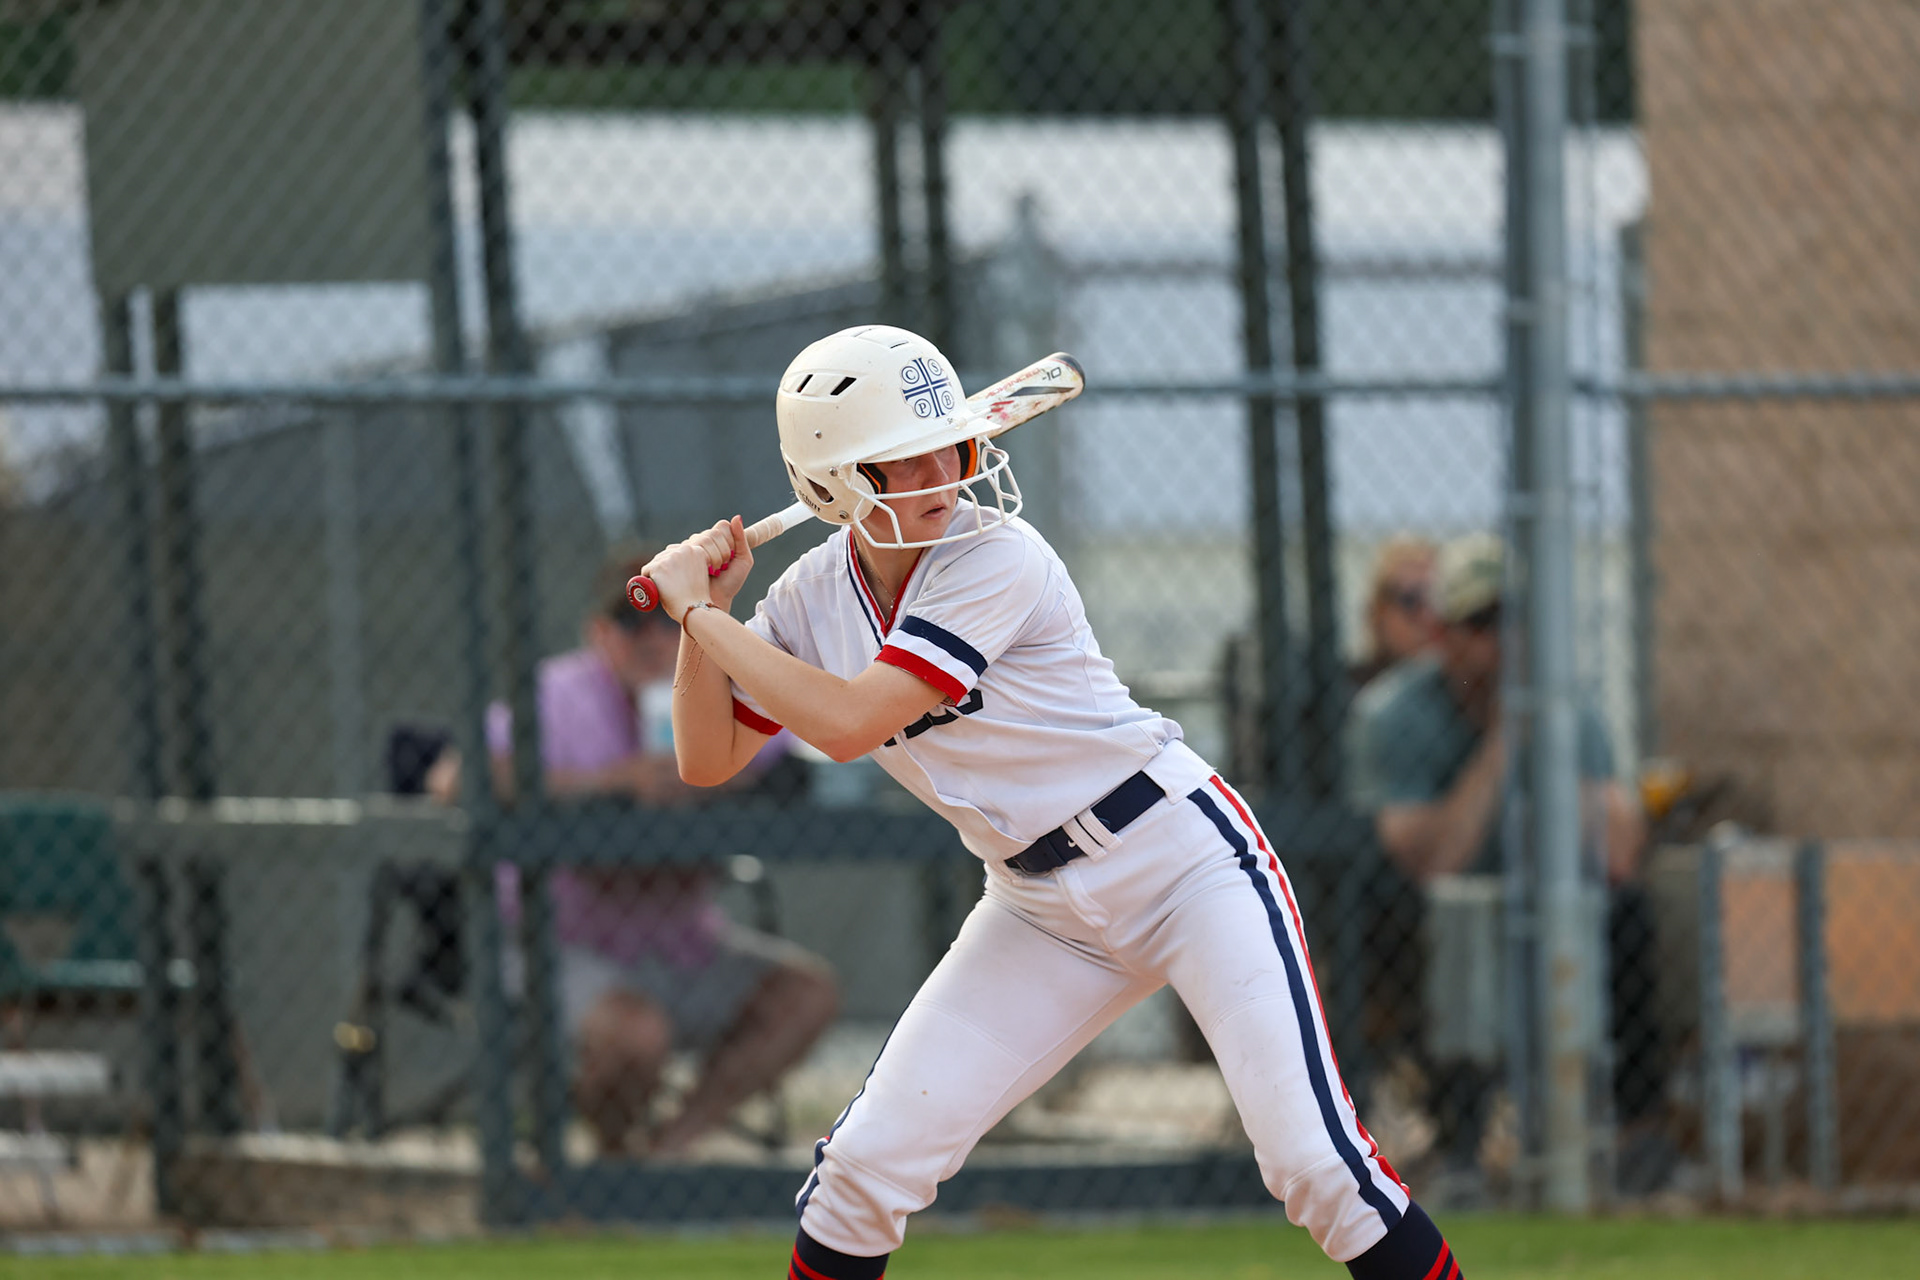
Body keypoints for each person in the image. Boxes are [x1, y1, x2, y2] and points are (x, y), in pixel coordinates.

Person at [642, 325, 1465, 1280]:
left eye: (946, 446)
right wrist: (707, 627)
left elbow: (851, 722)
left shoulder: (999, 558)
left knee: (1314, 1166)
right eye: (903, 462)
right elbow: (707, 758)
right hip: (1036, 907)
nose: (943, 474)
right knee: (862, 1174)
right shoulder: (812, 596)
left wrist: (698, 614)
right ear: (830, 488)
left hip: (1178, 862)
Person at [486, 549, 840, 1157]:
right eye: (631, 621)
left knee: (806, 995)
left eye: (666, 619)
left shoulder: (717, 677)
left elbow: (801, 756)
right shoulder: (558, 692)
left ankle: (669, 1151)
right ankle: (614, 1163)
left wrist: (719, 768)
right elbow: (458, 776)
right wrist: (618, 782)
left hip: (684, 941)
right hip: (564, 943)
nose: (652, 638)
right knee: (636, 1033)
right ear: (601, 634)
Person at [1345, 532, 1665, 1194]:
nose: (1499, 645)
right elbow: (1432, 861)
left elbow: (1620, 853)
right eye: (1481, 624)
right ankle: (1457, 1143)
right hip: (1434, 920)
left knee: (1629, 912)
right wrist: (1500, 741)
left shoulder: (1564, 708)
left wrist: (1546, 735)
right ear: (1447, 635)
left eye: (1513, 621)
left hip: (1546, 913)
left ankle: (1637, 1134)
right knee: (1430, 914)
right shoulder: (1394, 714)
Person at [1350, 536, 1440, 692]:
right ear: (1379, 611)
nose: (1428, 616)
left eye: (1437, 599)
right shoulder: (1350, 690)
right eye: (1410, 600)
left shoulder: (1456, 689)